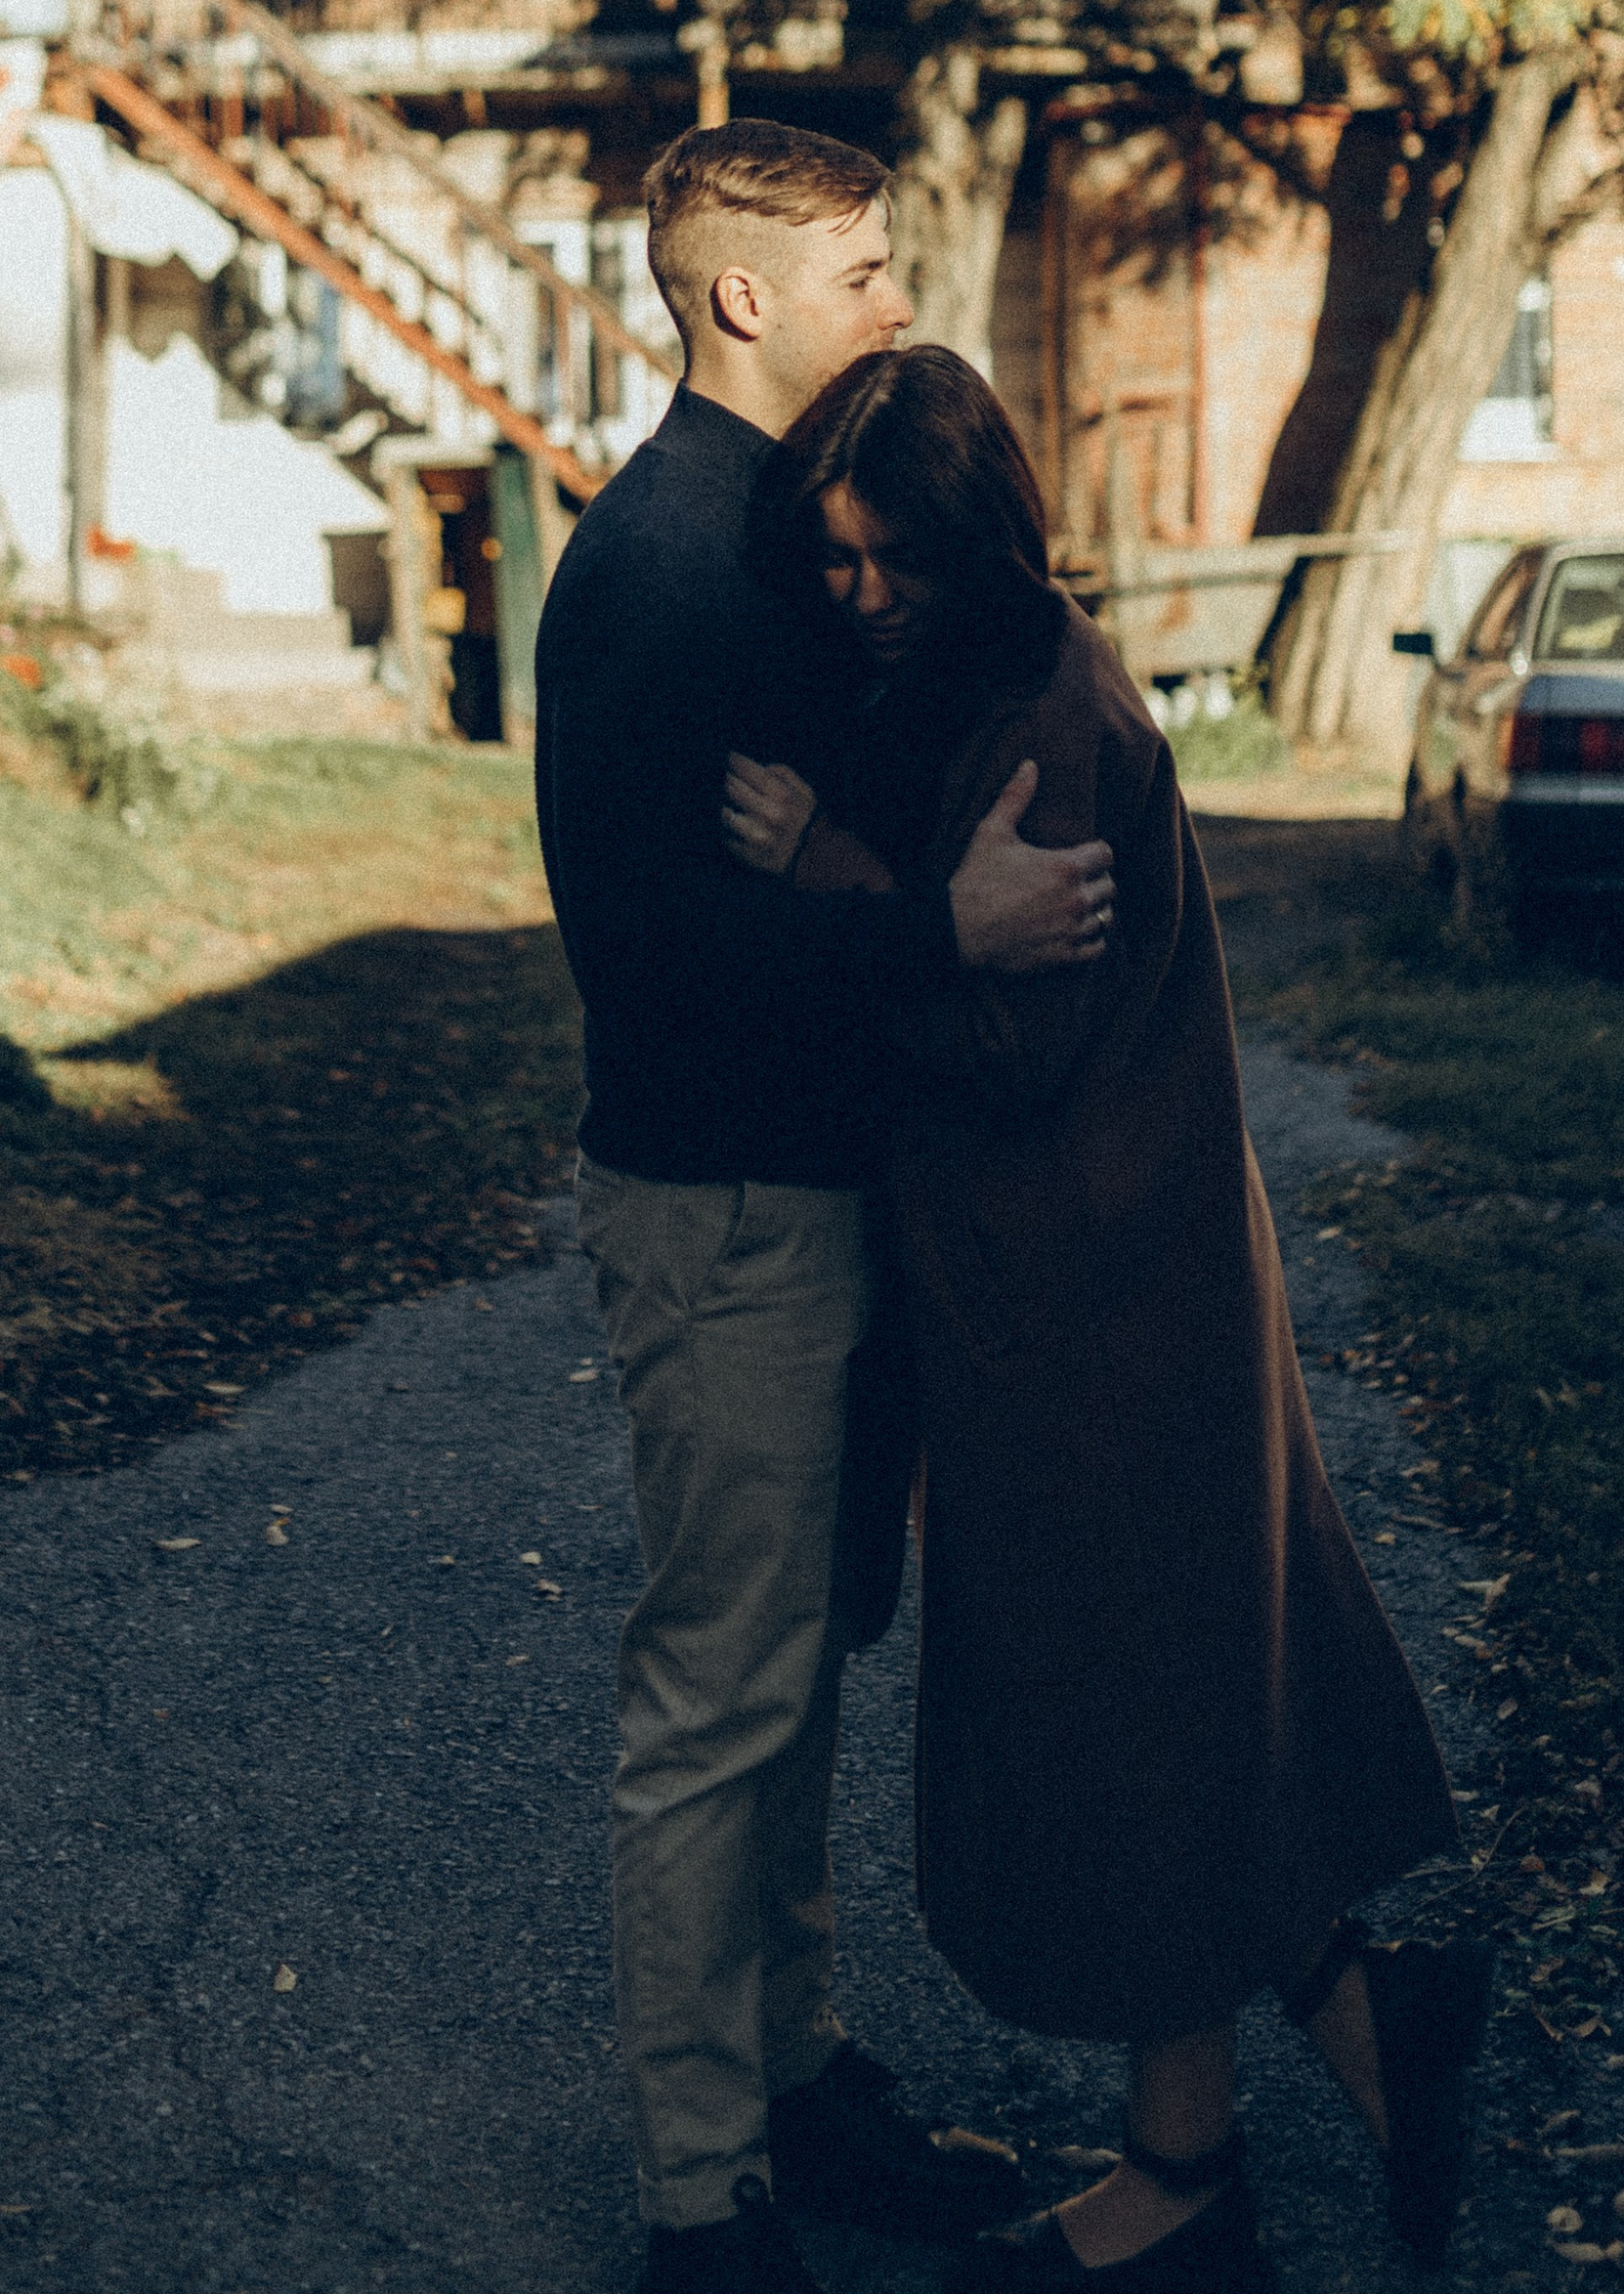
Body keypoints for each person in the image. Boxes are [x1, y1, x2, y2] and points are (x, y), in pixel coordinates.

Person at [720, 346, 1493, 2293]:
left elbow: (1009, 1036)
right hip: (1099, 1279)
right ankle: (1364, 2033)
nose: (862, 595)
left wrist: (831, 874)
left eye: (891, 558)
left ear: (973, 536)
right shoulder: (991, 679)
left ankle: (1185, 2176)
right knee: (1180, 1705)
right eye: (828, 562)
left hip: (1094, 1301)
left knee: (1131, 1722)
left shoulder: (1042, 720)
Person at [534, 123, 1120, 2292]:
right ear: (739, 300)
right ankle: (706, 2201)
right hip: (720, 1213)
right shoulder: (660, 562)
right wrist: (933, 934)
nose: (902, 299)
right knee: (716, 1695)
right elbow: (648, 944)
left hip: (814, 1193)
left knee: (785, 1679)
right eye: (866, 271)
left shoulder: (781, 524)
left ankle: (798, 2087)